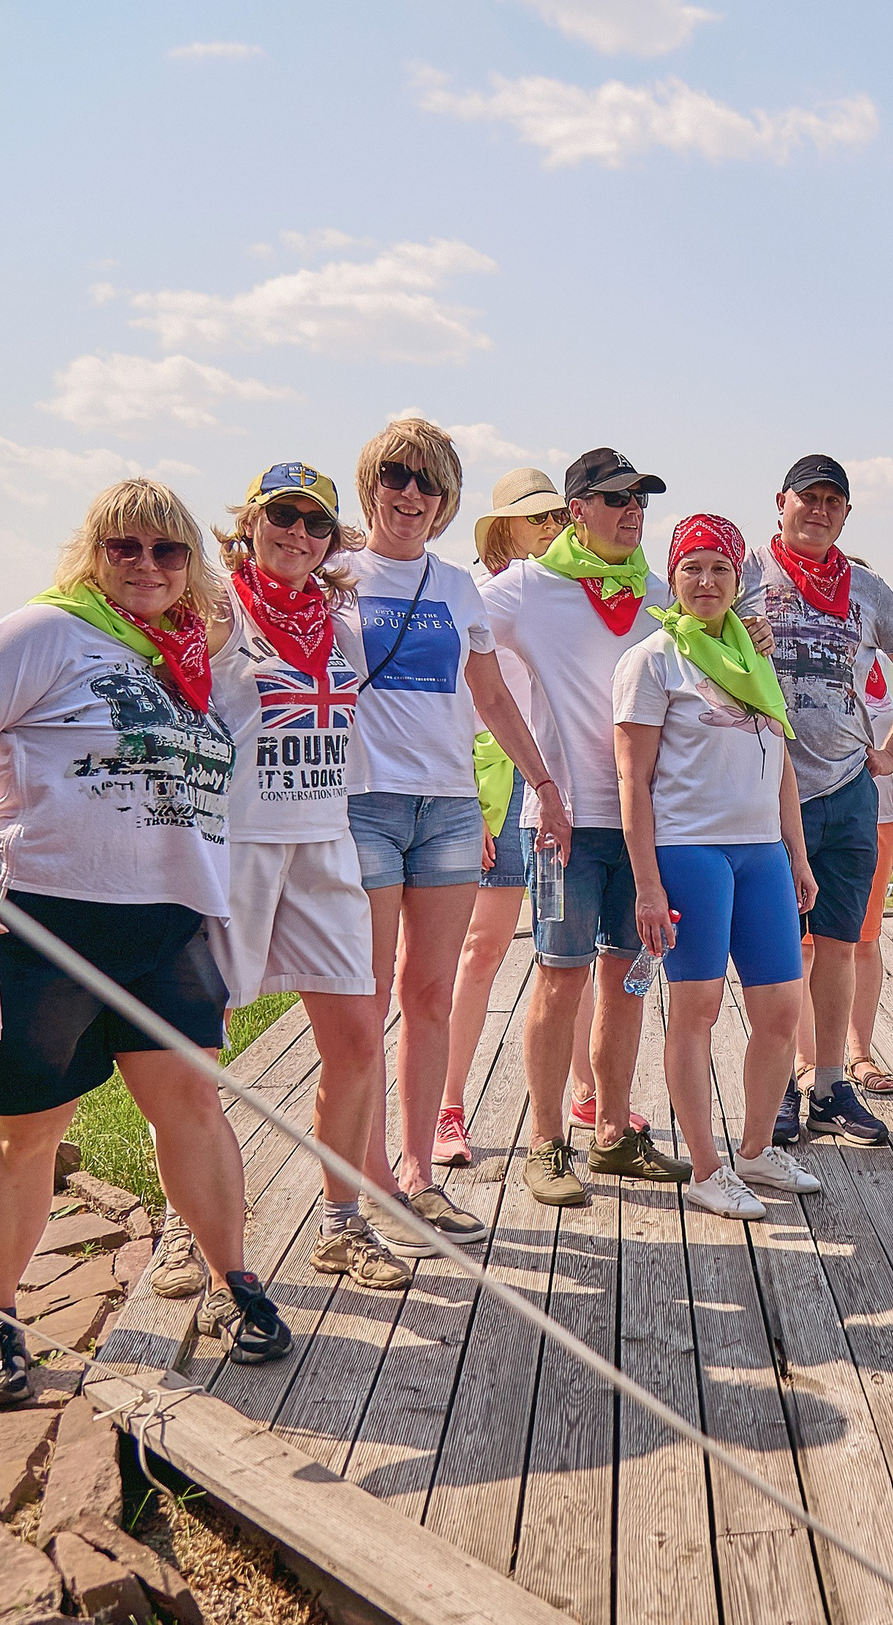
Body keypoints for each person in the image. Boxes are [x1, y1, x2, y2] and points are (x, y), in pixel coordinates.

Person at [0, 477, 290, 1405]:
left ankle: (234, 1283)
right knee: (28, 1130)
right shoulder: (38, 634)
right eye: (126, 548)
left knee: (192, 1106)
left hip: (166, 918)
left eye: (168, 551)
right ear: (93, 555)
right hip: (41, 914)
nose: (148, 566)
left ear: (191, 564)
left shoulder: (192, 658)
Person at [336, 418, 568, 1255]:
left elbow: (491, 696)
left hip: (448, 806)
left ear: (447, 503)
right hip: (362, 803)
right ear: (371, 486)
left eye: (428, 484)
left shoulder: (459, 588)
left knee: (427, 996)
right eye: (396, 477)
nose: (410, 494)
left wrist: (542, 781)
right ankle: (363, 1183)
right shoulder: (336, 576)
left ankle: (417, 1174)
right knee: (360, 1003)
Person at [190, 462, 412, 1293]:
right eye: (282, 516)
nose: (297, 535)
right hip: (235, 846)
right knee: (194, 1050)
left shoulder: (340, 621)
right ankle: (190, 1231)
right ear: (249, 521)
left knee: (356, 1041)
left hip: (324, 841)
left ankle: (341, 1225)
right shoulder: (215, 609)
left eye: (315, 525)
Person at [479, 448, 691, 1208]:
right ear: (576, 511)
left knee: (628, 984)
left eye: (640, 499)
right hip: (563, 824)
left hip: (642, 828)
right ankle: (544, 1145)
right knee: (560, 979)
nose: (632, 511)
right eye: (613, 499)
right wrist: (528, 770)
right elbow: (462, 646)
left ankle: (611, 1135)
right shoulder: (527, 589)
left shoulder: (659, 592)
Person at [616, 513, 826, 1218]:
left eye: (719, 569)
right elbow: (632, 782)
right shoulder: (651, 661)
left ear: (738, 581)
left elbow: (783, 764)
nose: (705, 581)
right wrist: (648, 884)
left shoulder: (754, 653)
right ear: (672, 578)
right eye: (691, 568)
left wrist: (796, 853)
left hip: (762, 852)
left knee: (780, 1009)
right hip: (690, 852)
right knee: (697, 1011)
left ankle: (759, 1151)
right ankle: (708, 1167)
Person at [735, 455, 893, 1148]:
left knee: (841, 944)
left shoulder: (868, 590)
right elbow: (691, 640)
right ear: (780, 503)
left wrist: (892, 752)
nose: (819, 511)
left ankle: (830, 1086)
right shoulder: (745, 574)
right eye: (807, 499)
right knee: (784, 948)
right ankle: (790, 1082)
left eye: (833, 501)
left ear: (846, 513)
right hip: (765, 789)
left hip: (849, 787)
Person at [437, 467, 624, 1171]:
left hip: (566, 783)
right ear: (503, 532)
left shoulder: (575, 590)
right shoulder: (491, 594)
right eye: (534, 519)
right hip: (499, 781)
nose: (548, 529)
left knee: (569, 953)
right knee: (482, 949)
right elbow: (454, 696)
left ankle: (584, 1090)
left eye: (555, 518)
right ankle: (448, 1106)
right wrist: (465, 798)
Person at [842, 651, 893, 1088]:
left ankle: (859, 1054)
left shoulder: (883, 661)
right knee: (805, 946)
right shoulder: (806, 642)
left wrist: (892, 754)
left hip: (878, 820)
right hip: (810, 815)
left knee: (865, 941)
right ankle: (805, 1061)